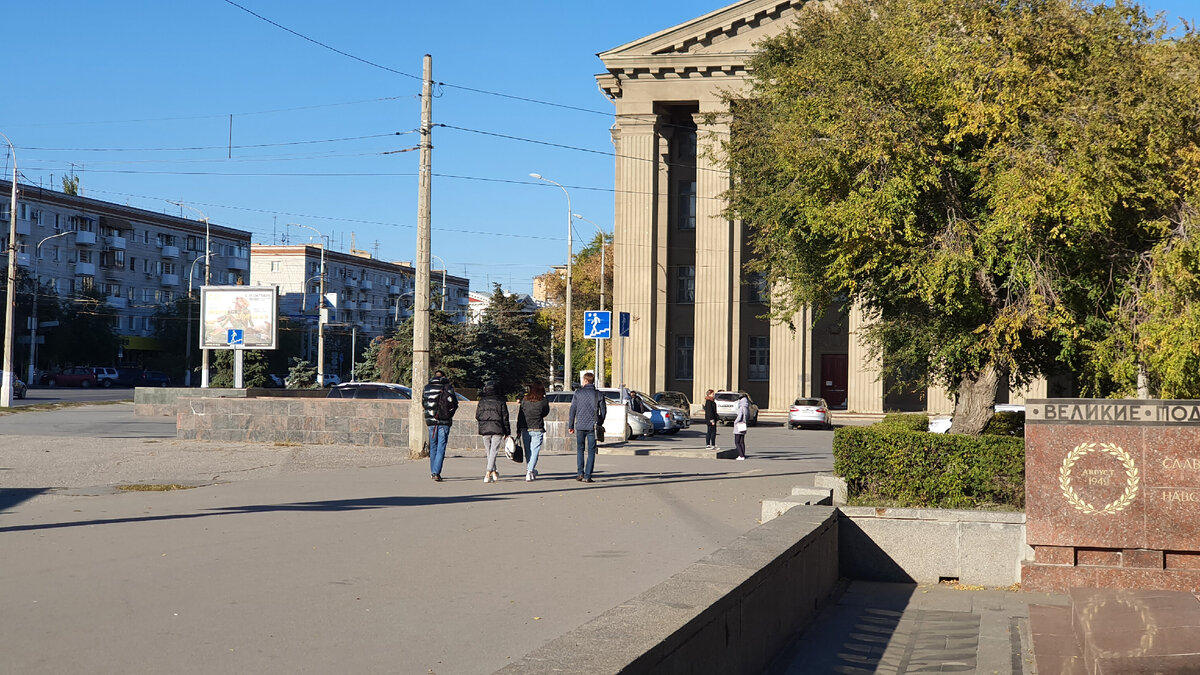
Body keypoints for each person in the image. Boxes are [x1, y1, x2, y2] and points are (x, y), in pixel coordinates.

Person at [568, 372, 606, 482]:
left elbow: (572, 410)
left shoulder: (578, 393)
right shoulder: (598, 394)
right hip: (592, 426)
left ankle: (580, 473)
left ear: (585, 380)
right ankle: (588, 475)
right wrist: (600, 422)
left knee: (580, 449)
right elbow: (603, 411)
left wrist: (571, 425)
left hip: (579, 425)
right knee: (591, 451)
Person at [422, 370, 459, 481]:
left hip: (431, 422)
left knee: (433, 446)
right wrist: (449, 415)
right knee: (441, 446)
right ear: (444, 376)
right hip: (444, 421)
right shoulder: (448, 387)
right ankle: (436, 472)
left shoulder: (427, 388)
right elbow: (455, 404)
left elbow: (423, 403)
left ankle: (433, 471)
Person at [475, 382, 510, 483]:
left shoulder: (482, 401)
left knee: (489, 451)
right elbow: (505, 417)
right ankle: (488, 472)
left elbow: (477, 416)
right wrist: (507, 431)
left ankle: (494, 472)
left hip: (484, 428)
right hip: (498, 428)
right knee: (493, 451)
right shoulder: (500, 401)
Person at [516, 381, 550, 482]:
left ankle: (529, 470)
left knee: (528, 452)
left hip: (525, 428)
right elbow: (545, 412)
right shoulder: (543, 400)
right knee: (535, 451)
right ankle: (530, 471)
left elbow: (520, 416)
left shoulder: (524, 401)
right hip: (537, 428)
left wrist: (518, 429)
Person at [733, 392, 749, 460]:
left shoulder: (741, 408)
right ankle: (743, 454)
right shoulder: (746, 407)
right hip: (744, 424)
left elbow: (739, 417)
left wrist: (735, 422)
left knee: (737, 441)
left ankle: (741, 455)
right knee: (742, 441)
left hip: (739, 425)